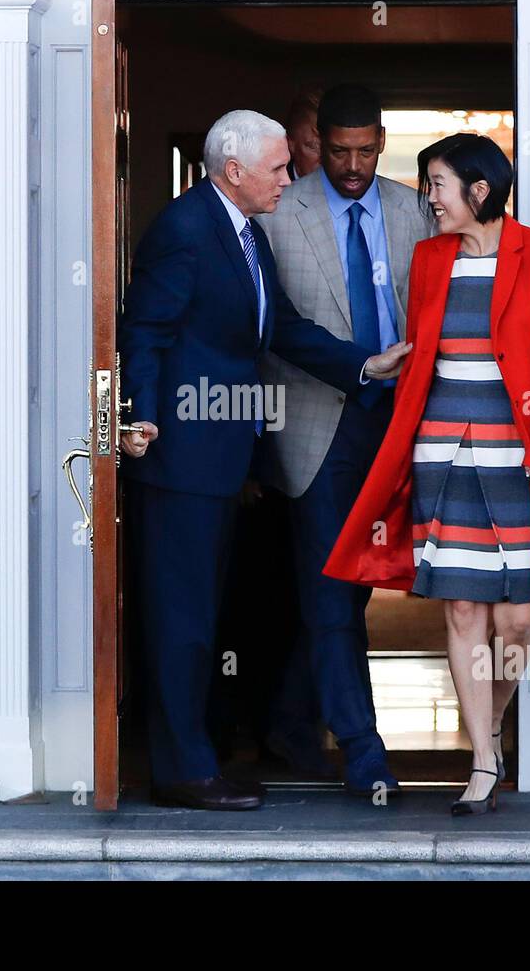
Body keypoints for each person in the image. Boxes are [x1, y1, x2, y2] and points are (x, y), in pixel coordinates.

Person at [118, 109, 410, 811]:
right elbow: (146, 329)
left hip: (223, 456)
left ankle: (195, 758)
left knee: (205, 612)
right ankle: (182, 770)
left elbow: (277, 327)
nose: (291, 176)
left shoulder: (243, 230)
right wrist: (141, 414)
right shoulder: (186, 229)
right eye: (280, 167)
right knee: (181, 615)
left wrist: (363, 365)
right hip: (180, 457)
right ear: (234, 169)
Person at [322, 132, 530, 815]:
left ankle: (490, 725)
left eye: (436, 184)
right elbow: (427, 349)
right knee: (464, 608)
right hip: (444, 450)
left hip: (519, 458)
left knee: (518, 618)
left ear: (479, 190)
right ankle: (484, 759)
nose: (427, 198)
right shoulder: (430, 258)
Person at [256, 84, 437, 796]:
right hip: (316, 423)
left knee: (358, 587)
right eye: (339, 152)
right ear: (318, 143)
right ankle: (363, 747)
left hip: (400, 423)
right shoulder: (281, 211)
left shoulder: (412, 209)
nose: (353, 165)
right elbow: (269, 328)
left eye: (366, 151)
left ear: (382, 140)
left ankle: (290, 718)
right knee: (331, 589)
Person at [284, 89, 322, 180]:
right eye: (314, 147)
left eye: (334, 148)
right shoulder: (274, 189)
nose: (326, 159)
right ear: (290, 145)